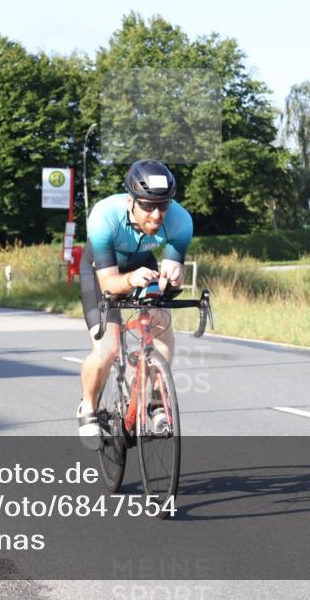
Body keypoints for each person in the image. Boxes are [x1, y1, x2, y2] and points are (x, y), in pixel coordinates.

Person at [76, 159, 193, 450]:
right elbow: (110, 284)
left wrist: (175, 276)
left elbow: (173, 270)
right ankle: (88, 410)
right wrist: (131, 280)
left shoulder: (181, 221)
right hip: (101, 271)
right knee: (108, 348)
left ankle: (153, 401)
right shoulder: (104, 216)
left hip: (143, 265)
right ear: (131, 201)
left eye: (163, 206)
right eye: (147, 206)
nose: (156, 215)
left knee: (162, 323)